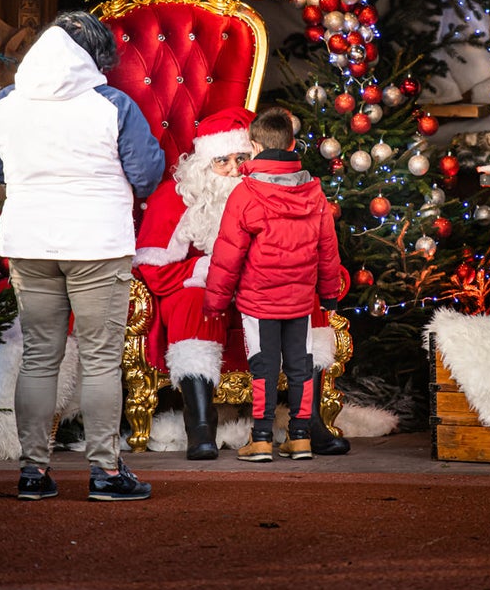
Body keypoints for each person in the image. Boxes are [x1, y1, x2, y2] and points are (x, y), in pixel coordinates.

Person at [0, 9, 164, 502]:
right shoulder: (113, 104)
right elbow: (146, 174)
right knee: (102, 359)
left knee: (39, 357)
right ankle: (105, 472)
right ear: (93, 57)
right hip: (97, 243)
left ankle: (33, 473)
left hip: (30, 244)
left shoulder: (4, 102)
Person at [134, 106, 351, 460]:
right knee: (197, 305)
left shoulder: (281, 190)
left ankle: (308, 422)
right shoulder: (179, 197)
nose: (234, 169)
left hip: (265, 289)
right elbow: (154, 269)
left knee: (303, 300)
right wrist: (206, 273)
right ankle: (201, 426)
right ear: (204, 163)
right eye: (223, 161)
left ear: (256, 151)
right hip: (206, 286)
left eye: (241, 157)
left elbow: (319, 245)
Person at [203, 106, 344, 462]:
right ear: (293, 144)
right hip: (300, 300)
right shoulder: (314, 192)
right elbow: (328, 250)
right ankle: (299, 438)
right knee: (301, 365)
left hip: (259, 302)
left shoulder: (246, 193)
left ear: (252, 145)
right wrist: (328, 295)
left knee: (264, 366)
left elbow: (228, 253)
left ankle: (262, 438)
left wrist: (215, 303)